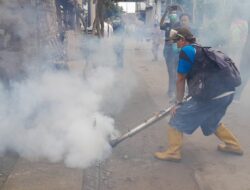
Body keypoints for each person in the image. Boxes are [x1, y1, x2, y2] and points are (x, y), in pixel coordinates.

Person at [154, 28, 243, 162]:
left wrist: (178, 103)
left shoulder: (186, 51)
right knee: (210, 120)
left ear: (182, 40)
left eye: (176, 42)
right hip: (227, 93)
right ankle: (233, 145)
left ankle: (173, 152)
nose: (175, 45)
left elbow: (180, 79)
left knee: (177, 117)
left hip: (213, 96)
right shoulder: (200, 49)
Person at [160, 5, 183, 99]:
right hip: (168, 50)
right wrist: (165, 12)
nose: (173, 15)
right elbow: (160, 24)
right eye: (171, 14)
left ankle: (175, 90)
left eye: (174, 14)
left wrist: (180, 8)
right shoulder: (167, 25)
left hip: (177, 50)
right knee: (171, 72)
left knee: (178, 71)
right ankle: (171, 91)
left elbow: (184, 18)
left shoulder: (179, 25)